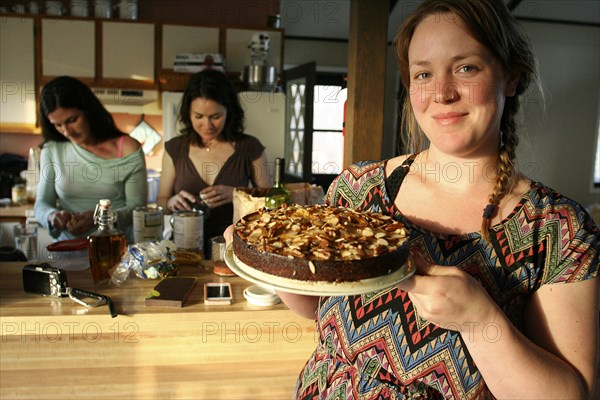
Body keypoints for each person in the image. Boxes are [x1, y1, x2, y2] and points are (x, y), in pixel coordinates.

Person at [227, 1, 599, 398]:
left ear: (510, 77)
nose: (442, 92)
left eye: (465, 68)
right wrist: (270, 261)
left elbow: (573, 394)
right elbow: (320, 310)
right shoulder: (358, 189)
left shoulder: (558, 229)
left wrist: (477, 320)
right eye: (424, 73)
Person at [157, 69, 272, 257]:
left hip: (237, 248)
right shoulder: (175, 149)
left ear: (229, 111)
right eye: (199, 116)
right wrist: (171, 202)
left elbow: (272, 202)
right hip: (185, 250)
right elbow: (161, 202)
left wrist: (237, 194)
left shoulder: (249, 147)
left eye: (216, 116)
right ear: (188, 113)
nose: (207, 125)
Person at [35, 76, 147, 243]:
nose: (67, 131)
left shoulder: (127, 148)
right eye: (57, 125)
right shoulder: (52, 149)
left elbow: (137, 208)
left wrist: (100, 218)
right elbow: (42, 203)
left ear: (88, 111)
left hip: (115, 247)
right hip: (69, 248)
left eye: (72, 120)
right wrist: (53, 216)